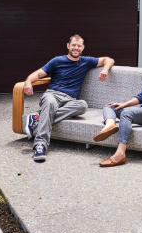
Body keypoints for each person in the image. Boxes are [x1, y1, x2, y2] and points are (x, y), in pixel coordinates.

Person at [22, 34, 114, 162]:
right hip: (53, 94)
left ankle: (37, 119)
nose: (76, 48)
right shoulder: (57, 61)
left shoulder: (86, 61)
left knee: (83, 105)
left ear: (83, 48)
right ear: (68, 46)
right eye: (73, 45)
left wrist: (105, 69)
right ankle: (40, 145)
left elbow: (109, 59)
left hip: (71, 100)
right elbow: (37, 73)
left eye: (79, 46)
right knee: (49, 102)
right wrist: (28, 82)